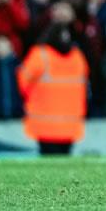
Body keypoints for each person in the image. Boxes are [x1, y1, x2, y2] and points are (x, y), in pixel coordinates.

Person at [17, 23, 89, 155]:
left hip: (44, 124)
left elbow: (23, 83)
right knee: (64, 162)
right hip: (70, 124)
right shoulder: (78, 57)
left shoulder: (40, 56)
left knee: (48, 164)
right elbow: (85, 86)